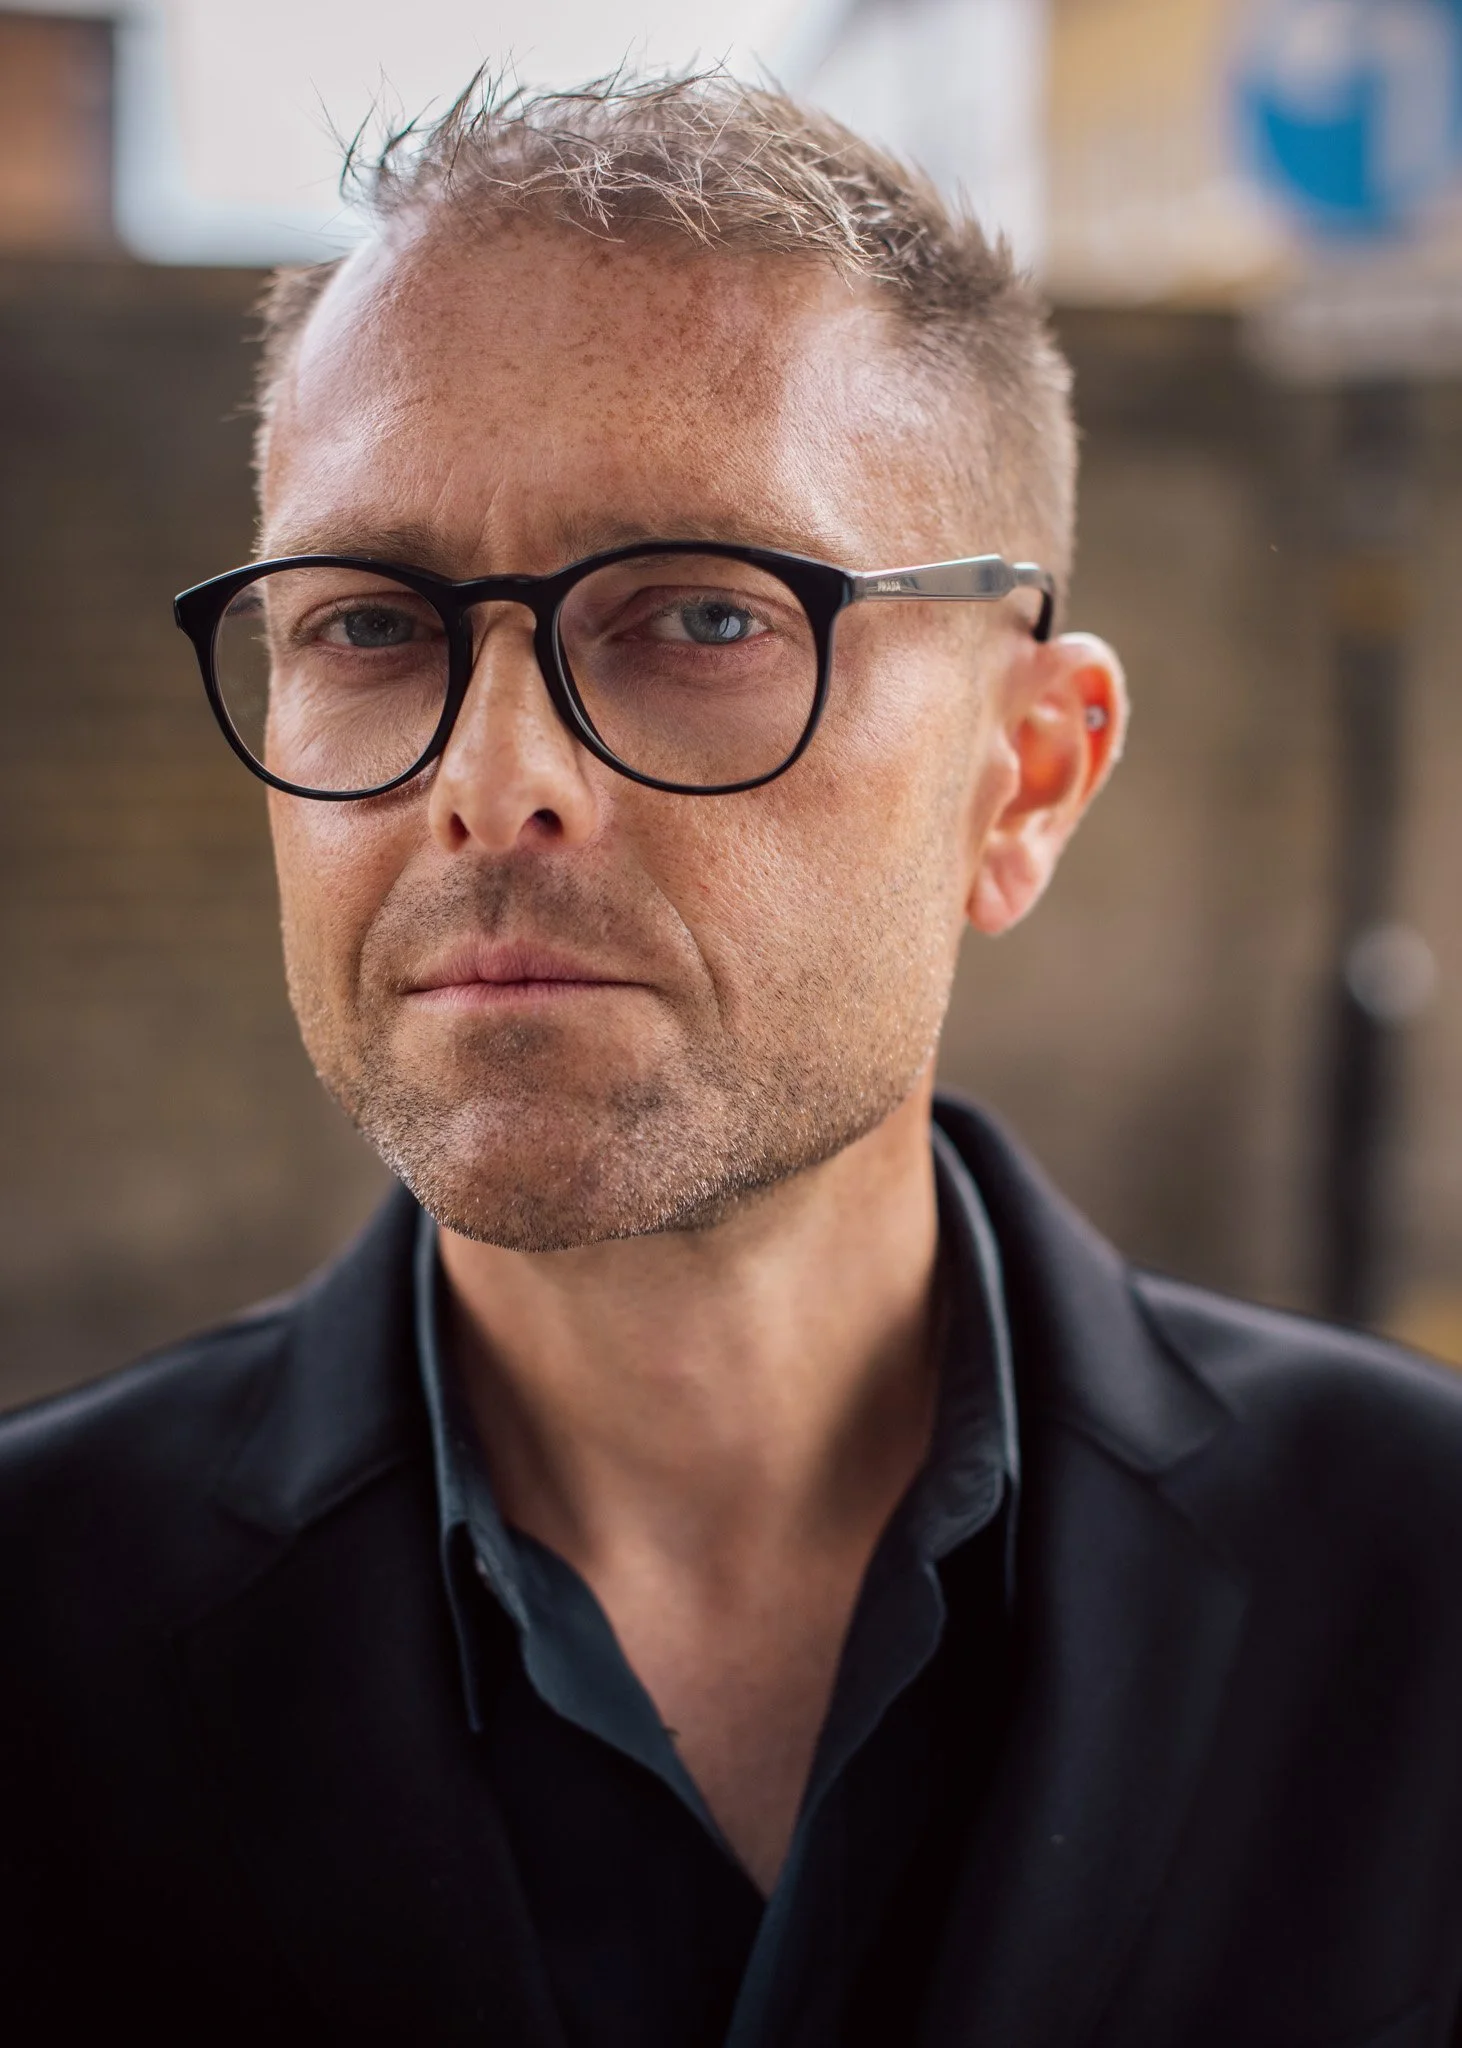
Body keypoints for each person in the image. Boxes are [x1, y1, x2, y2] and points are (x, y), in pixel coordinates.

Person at [4, 71, 1461, 2048]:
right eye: (364, 623)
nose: (486, 780)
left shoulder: (1414, 1588)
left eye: (696, 612)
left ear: (1021, 777)